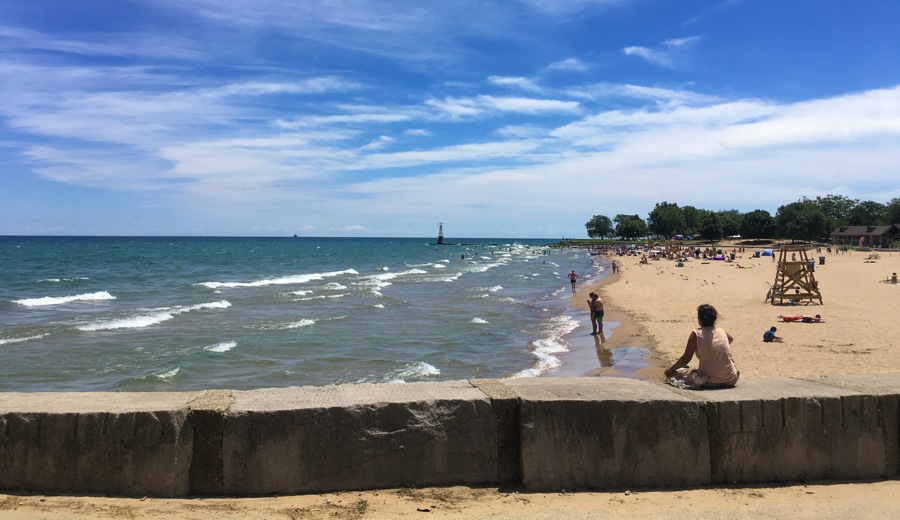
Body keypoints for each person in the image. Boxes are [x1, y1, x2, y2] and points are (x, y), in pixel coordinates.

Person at [664, 304, 739, 389]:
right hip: (732, 379)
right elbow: (730, 339)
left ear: (699, 320)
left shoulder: (696, 334)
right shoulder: (721, 331)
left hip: (709, 381)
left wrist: (670, 370)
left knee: (681, 372)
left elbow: (686, 358)